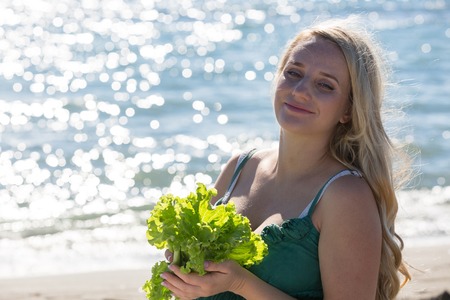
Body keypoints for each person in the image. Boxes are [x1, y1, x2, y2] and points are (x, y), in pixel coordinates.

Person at [160, 16, 412, 300]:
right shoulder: (240, 168)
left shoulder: (346, 195)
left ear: (349, 111)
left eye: (325, 85)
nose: (300, 90)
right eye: (293, 73)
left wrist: (241, 283)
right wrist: (182, 268)